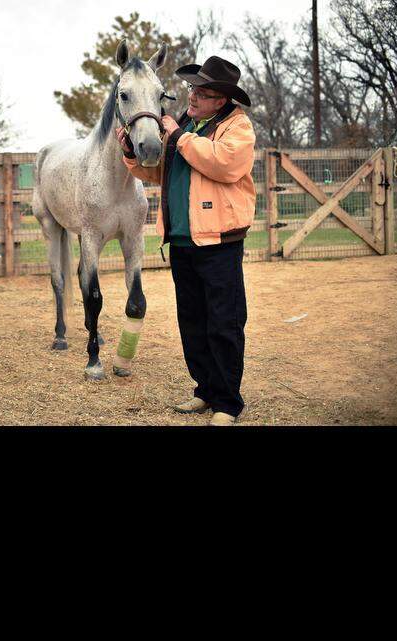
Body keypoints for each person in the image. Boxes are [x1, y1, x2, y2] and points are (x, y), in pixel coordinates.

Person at [117, 55, 256, 426]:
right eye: (194, 88)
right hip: (182, 240)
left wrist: (178, 136)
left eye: (203, 92)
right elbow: (160, 171)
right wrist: (131, 153)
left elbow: (222, 164)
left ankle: (227, 402)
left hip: (219, 242)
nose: (192, 95)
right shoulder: (186, 125)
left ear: (222, 100)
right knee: (192, 321)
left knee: (223, 322)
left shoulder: (236, 128)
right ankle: (205, 390)